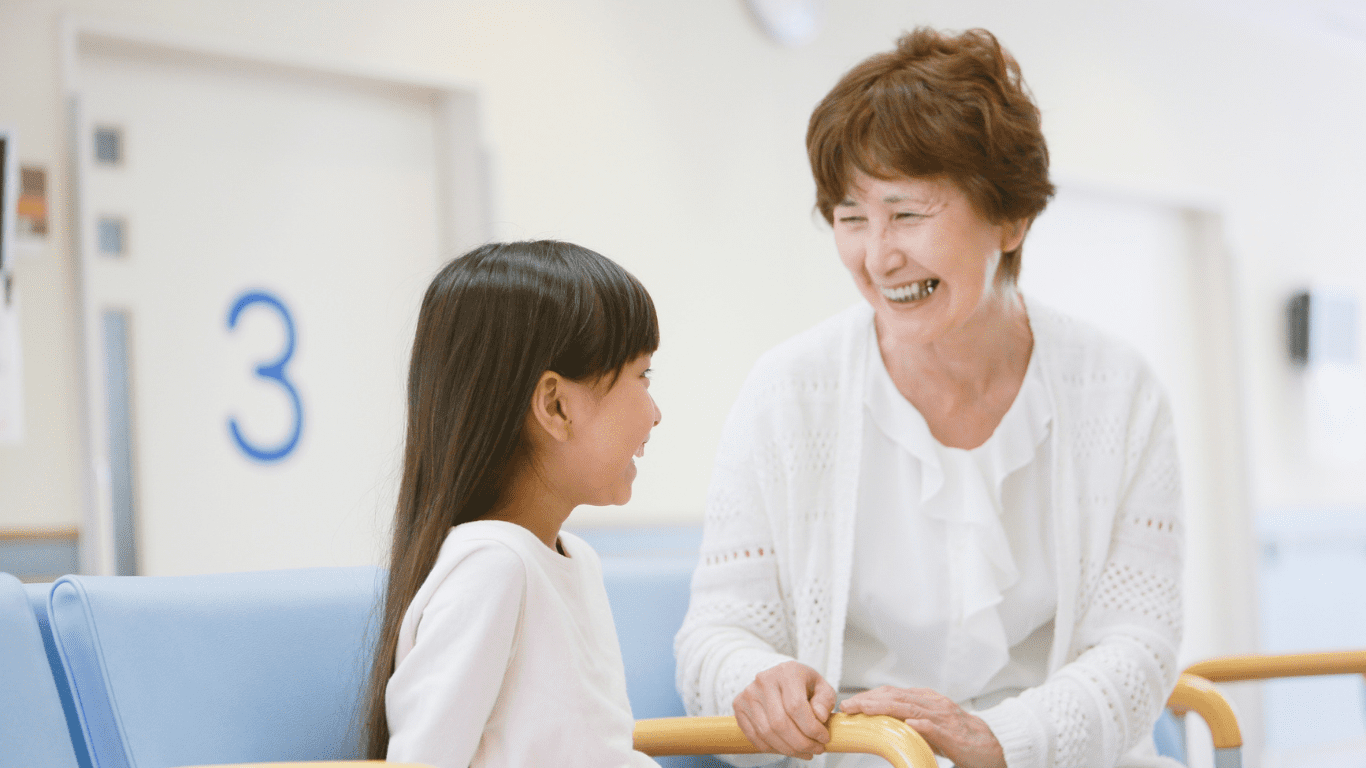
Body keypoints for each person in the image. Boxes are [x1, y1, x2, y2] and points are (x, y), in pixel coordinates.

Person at [675, 27, 1184, 768]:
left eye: (907, 214)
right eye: (851, 218)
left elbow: (1140, 645)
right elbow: (716, 635)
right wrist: (758, 684)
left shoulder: (1119, 390)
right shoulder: (789, 393)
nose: (878, 256)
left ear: (1011, 218)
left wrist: (1004, 741)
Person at [362, 240, 664, 768]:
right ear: (555, 406)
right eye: (642, 376)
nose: (655, 413)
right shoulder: (495, 568)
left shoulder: (573, 561)